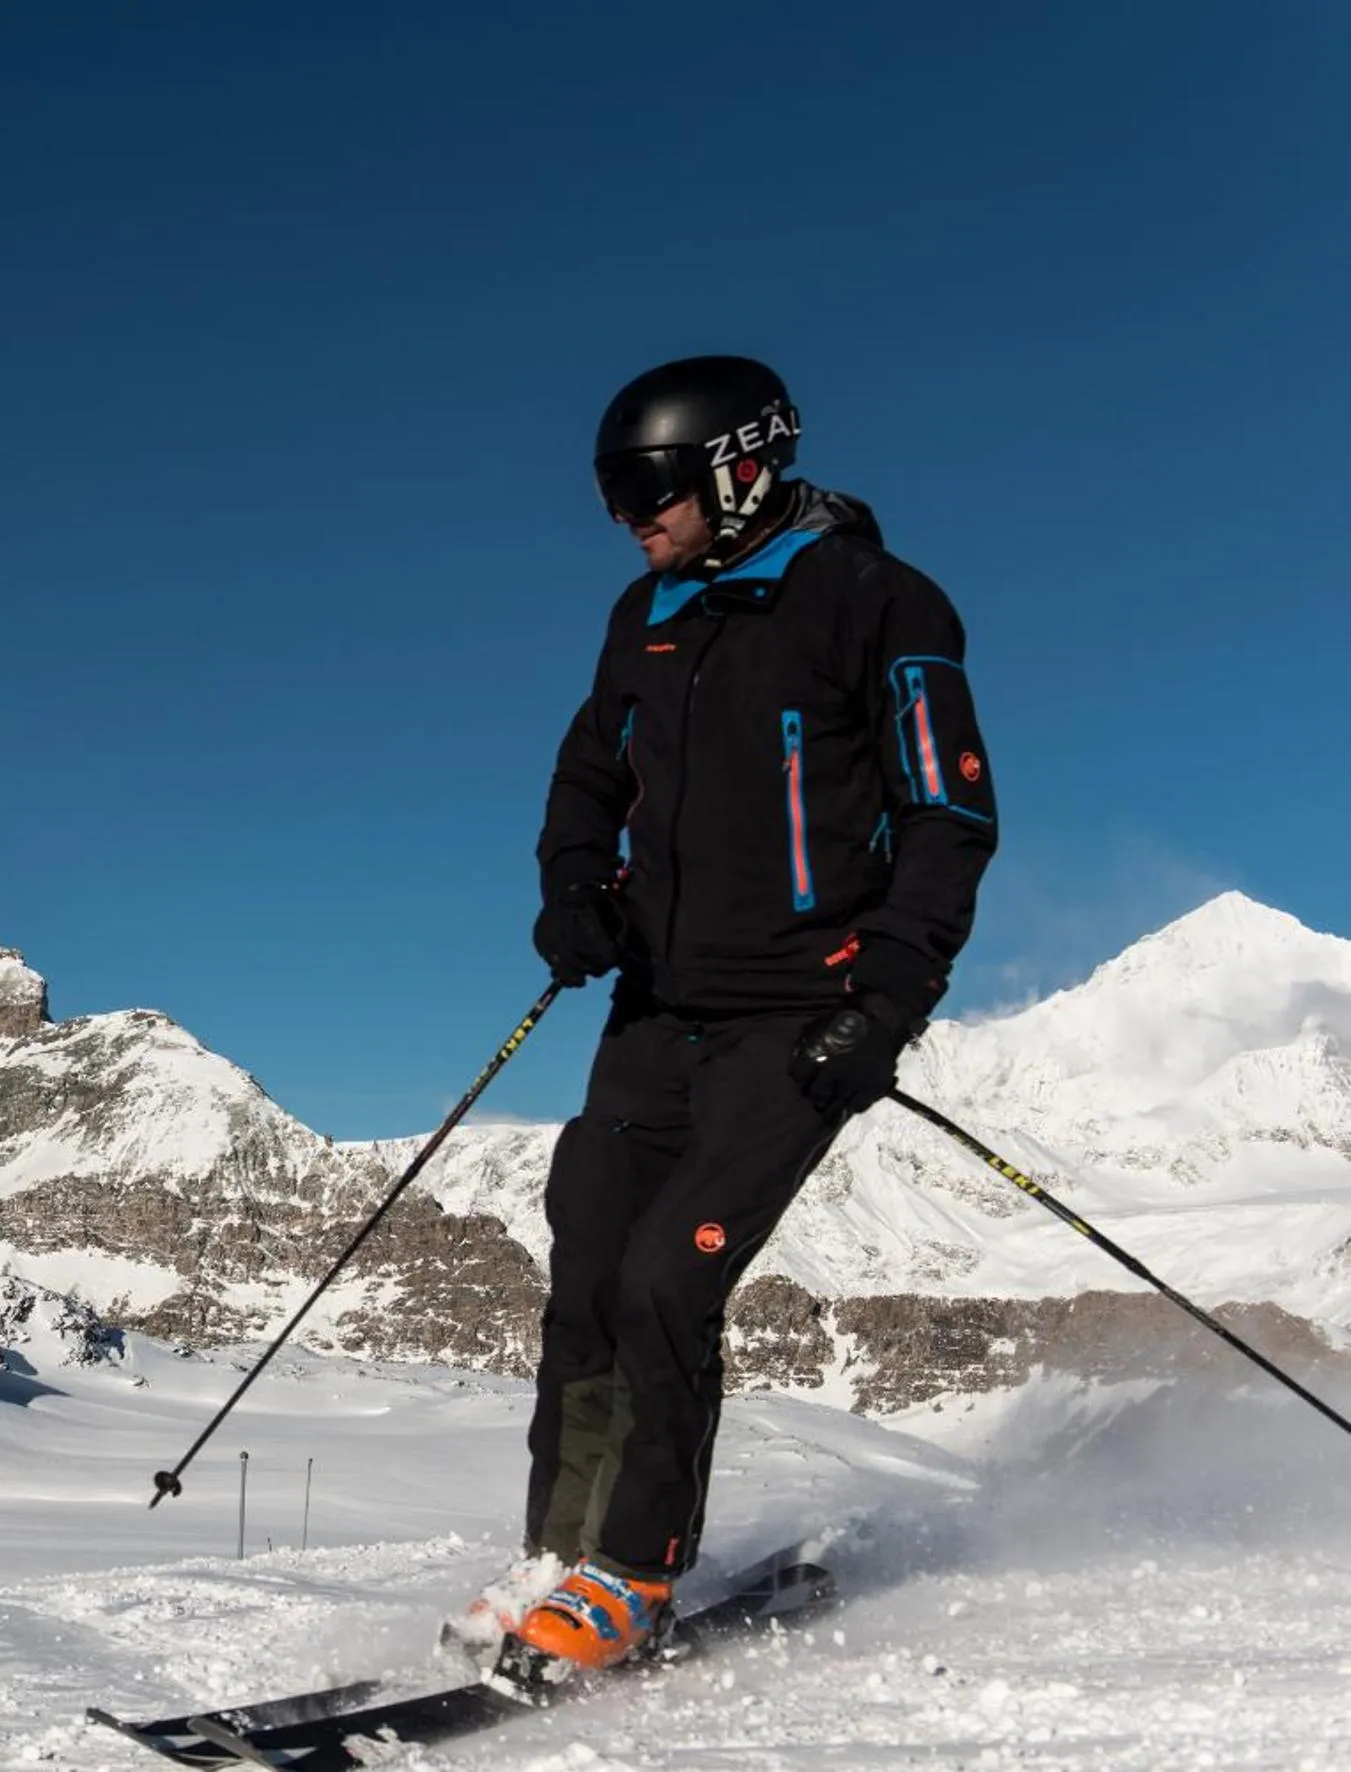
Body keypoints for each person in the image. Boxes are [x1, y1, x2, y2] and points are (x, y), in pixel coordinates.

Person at [474, 355, 997, 1671]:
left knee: (668, 1279)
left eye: (647, 488)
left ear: (741, 464)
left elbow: (948, 813)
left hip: (796, 1014)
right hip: (657, 1010)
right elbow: (585, 774)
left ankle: (631, 1574)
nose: (627, 517)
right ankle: (558, 1547)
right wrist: (571, 889)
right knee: (588, 1264)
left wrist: (886, 998)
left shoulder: (878, 602)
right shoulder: (642, 615)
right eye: (610, 494)